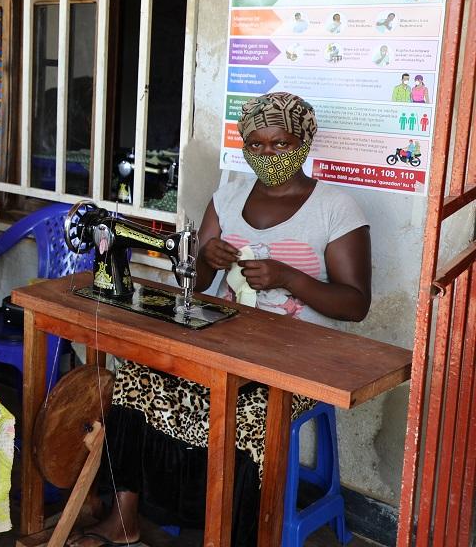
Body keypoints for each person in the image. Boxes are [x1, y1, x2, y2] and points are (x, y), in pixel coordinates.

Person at [71, 93, 371, 547]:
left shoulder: (335, 207)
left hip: (294, 364)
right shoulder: (228, 197)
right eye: (256, 144)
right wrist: (207, 258)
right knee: (137, 377)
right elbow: (195, 277)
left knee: (247, 415)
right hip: (223, 344)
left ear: (304, 142)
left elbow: (355, 303)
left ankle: (230, 535)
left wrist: (289, 277)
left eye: (281, 143)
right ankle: (124, 517)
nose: (268, 153)